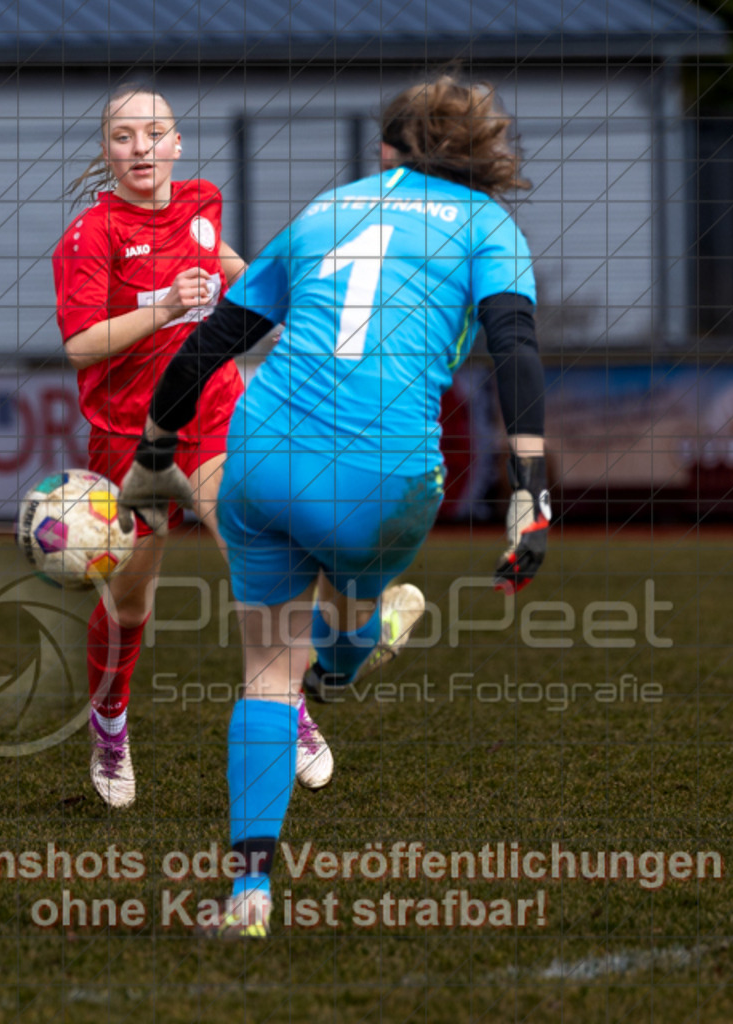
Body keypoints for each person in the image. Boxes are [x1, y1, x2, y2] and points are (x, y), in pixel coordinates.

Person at [118, 73, 551, 936]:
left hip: (262, 459)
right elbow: (515, 349)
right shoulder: (489, 226)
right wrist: (531, 488)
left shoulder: (326, 208)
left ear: (387, 150)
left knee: (266, 675)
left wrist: (155, 452)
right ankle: (357, 646)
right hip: (382, 479)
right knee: (348, 622)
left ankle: (248, 896)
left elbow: (212, 342)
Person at [53, 85, 343, 808]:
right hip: (130, 439)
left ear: (176, 143)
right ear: (107, 150)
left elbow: (226, 262)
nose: (140, 147)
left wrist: (288, 301)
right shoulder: (90, 235)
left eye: (154, 133)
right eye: (124, 136)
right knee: (130, 605)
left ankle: (288, 709)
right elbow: (81, 346)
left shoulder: (202, 201)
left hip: (215, 419)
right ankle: (109, 723)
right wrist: (163, 307)